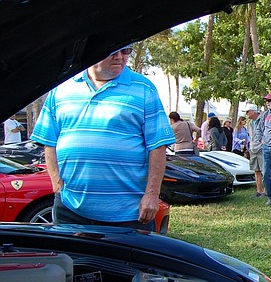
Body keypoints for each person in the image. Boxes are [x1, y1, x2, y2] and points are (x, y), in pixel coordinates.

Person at [31, 45, 175, 230]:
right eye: (113, 51)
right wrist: (56, 183)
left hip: (129, 214)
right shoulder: (61, 88)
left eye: (125, 52)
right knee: (73, 260)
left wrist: (152, 194)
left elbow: (158, 146)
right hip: (70, 210)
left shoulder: (144, 88)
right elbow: (49, 141)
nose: (120, 57)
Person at [245, 103, 266, 197]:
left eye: (247, 111)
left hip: (262, 149)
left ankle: (266, 191)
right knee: (256, 170)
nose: (246, 114)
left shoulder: (263, 120)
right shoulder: (249, 123)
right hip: (253, 149)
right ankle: (259, 191)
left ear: (253, 111)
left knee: (264, 170)